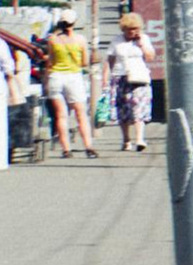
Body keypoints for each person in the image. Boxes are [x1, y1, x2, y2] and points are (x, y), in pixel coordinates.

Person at [45, 16, 98, 159]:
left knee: (61, 115)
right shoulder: (80, 39)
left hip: (55, 77)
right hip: (73, 77)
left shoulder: (52, 39)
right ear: (74, 23)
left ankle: (66, 150)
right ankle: (88, 147)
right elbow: (85, 62)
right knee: (81, 113)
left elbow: (50, 60)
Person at [107, 13, 156, 153]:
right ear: (123, 29)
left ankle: (140, 139)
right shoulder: (117, 40)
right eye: (129, 29)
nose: (132, 32)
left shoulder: (144, 39)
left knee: (138, 107)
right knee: (123, 109)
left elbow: (150, 56)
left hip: (139, 77)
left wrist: (141, 44)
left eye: (135, 29)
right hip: (121, 76)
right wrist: (111, 75)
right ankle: (126, 139)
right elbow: (111, 58)